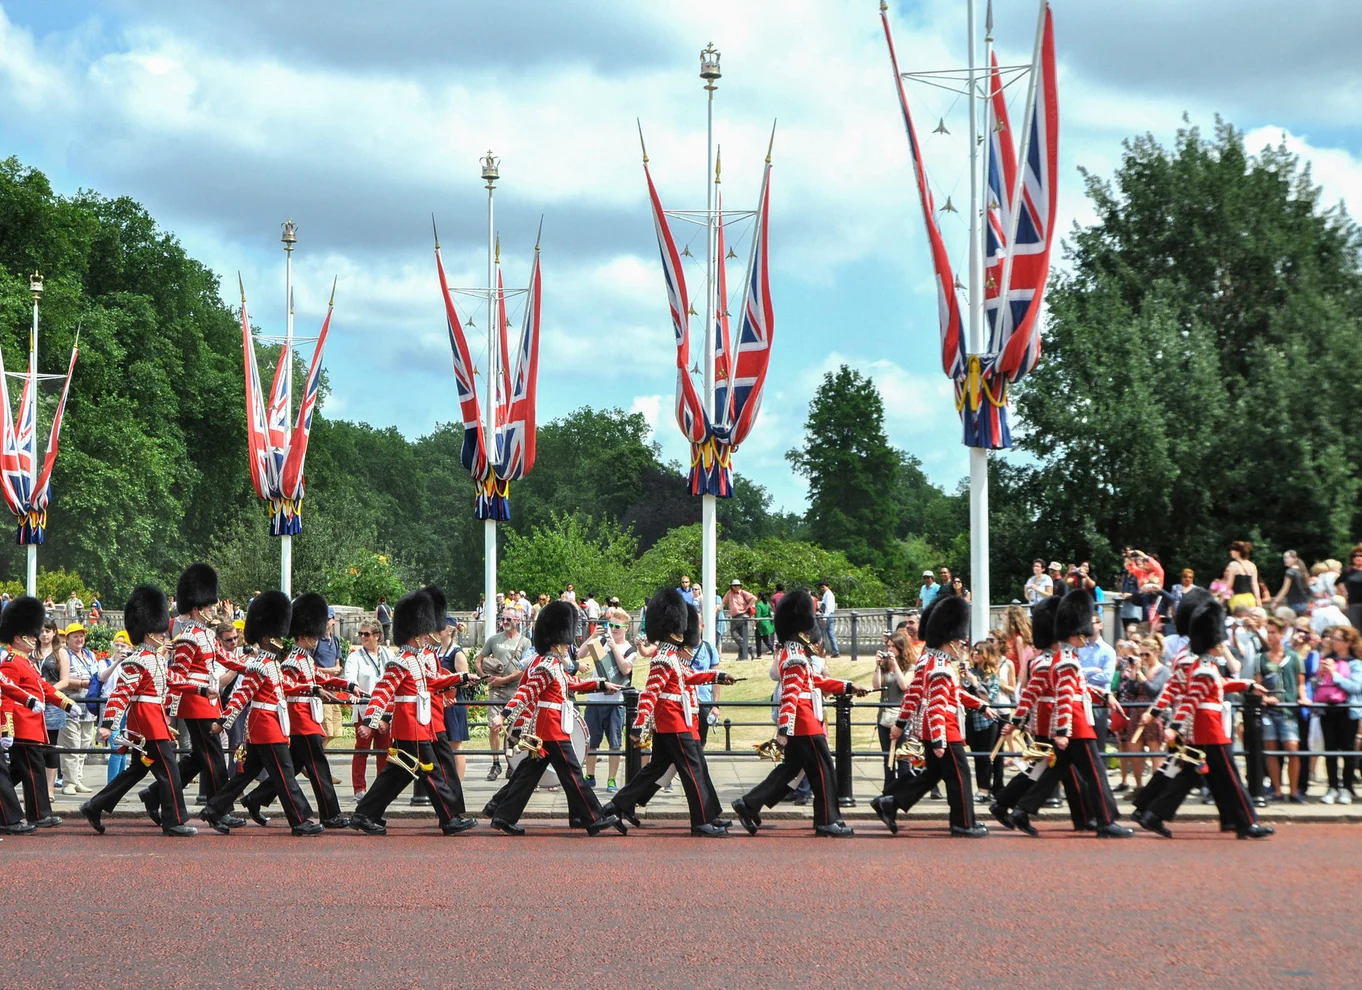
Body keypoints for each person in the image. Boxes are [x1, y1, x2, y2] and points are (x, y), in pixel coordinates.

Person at [732, 589, 866, 838]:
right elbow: (790, 696)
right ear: (801, 629)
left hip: (801, 722)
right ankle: (827, 821)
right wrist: (784, 730)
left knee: (790, 770)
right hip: (804, 723)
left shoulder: (793, 653)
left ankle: (749, 804)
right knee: (823, 770)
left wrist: (848, 686)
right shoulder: (795, 656)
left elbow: (814, 681)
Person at [1139, 596, 1274, 839]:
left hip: (1202, 726)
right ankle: (1246, 823)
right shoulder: (1201, 666)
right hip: (1208, 728)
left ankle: (1153, 814)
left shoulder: (1203, 664)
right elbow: (1189, 698)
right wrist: (1173, 726)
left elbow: (1217, 685)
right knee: (1230, 776)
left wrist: (1248, 685)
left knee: (1189, 773)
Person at [350, 591, 478, 836]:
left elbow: (433, 681)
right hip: (410, 728)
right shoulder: (401, 661)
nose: (426, 636)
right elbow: (382, 691)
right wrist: (370, 721)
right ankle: (449, 819)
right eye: (423, 632)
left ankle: (364, 814)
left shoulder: (416, 659)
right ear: (414, 633)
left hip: (418, 726)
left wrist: (462, 678)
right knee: (431, 772)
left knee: (396, 775)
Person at [491, 600, 623, 837]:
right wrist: (503, 715)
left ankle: (502, 814)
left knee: (527, 775)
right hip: (551, 729)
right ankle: (593, 818)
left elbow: (572, 683)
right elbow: (525, 692)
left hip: (549, 727)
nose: (567, 646)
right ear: (557, 642)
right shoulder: (547, 666)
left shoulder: (552, 664)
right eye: (565, 642)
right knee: (573, 773)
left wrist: (602, 684)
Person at [603, 594, 732, 836]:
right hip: (673, 723)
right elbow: (650, 693)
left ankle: (617, 806)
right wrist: (639, 724)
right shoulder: (663, 656)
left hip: (677, 721)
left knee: (658, 769)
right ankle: (701, 821)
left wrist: (718, 676)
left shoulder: (672, 656)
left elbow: (689, 678)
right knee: (693, 770)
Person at [1009, 590, 1132, 838]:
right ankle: (1106, 821)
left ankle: (1022, 810)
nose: (1086, 639)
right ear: (1074, 635)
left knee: (1054, 770)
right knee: (1095, 773)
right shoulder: (1066, 660)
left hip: (1073, 723)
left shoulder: (1066, 657)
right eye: (1082, 635)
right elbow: (1065, 697)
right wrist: (1063, 731)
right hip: (1076, 726)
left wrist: (1104, 696)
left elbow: (1079, 689)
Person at [79, 586, 198, 837]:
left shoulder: (156, 658)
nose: (163, 634)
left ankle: (95, 805)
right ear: (148, 632)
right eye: (159, 630)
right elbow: (120, 694)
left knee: (138, 770)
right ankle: (173, 821)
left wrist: (201, 688)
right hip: (147, 725)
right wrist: (108, 725)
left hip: (154, 721)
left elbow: (173, 679)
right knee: (169, 771)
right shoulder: (137, 660)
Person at [202, 593, 322, 836]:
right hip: (265, 727)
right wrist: (223, 722)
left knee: (244, 775)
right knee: (285, 774)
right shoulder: (259, 665)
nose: (281, 640)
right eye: (276, 636)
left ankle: (213, 810)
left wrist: (311, 689)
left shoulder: (271, 663)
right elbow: (241, 696)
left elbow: (284, 686)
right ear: (267, 638)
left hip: (270, 725)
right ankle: (299, 820)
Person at [871, 596, 990, 838]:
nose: (962, 645)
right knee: (960, 776)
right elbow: (936, 705)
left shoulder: (929, 660)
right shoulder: (940, 667)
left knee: (933, 774)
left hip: (931, 727)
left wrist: (979, 705)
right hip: (944, 728)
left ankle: (890, 802)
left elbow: (919, 693)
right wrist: (938, 740)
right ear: (950, 641)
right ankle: (963, 823)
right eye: (959, 641)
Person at [243, 593, 357, 830]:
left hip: (307, 719)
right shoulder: (292, 661)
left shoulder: (305, 659)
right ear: (305, 635)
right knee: (319, 768)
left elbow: (321, 678)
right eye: (314, 635)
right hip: (300, 721)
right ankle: (330, 814)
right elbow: (289, 690)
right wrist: (314, 692)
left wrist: (348, 686)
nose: (317, 638)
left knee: (292, 768)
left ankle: (255, 798)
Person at [144, 564, 244, 818]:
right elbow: (176, 675)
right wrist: (197, 691)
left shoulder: (208, 635)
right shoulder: (188, 637)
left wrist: (255, 667)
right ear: (197, 609)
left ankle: (154, 794)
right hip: (196, 703)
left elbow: (227, 659)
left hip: (209, 702)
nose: (213, 609)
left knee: (201, 757)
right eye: (208, 606)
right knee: (214, 757)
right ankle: (219, 810)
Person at [1, 595, 82, 828]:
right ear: (18, 638)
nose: (35, 639)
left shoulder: (27, 662)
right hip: (22, 725)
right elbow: (7, 697)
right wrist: (7, 729)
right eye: (30, 635)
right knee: (33, 770)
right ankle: (39, 814)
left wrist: (67, 704)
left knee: (20, 771)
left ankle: (34, 812)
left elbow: (44, 688)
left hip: (33, 725)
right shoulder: (11, 662)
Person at [476, 609, 533, 782]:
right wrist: (484, 677)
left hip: (515, 689)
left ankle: (511, 763)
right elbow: (478, 660)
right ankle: (495, 763)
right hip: (496, 690)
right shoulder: (494, 639)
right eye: (503, 618)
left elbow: (524, 668)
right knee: (494, 726)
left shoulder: (525, 642)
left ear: (517, 620)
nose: (505, 621)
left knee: (514, 727)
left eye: (508, 618)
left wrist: (504, 679)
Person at [582, 607, 635, 790]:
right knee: (591, 741)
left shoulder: (630, 649)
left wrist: (614, 648)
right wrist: (592, 637)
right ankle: (590, 775)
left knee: (615, 743)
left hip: (615, 702)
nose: (613, 629)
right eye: (610, 625)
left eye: (617, 626)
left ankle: (612, 779)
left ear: (626, 628)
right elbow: (580, 655)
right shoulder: (602, 640)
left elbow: (625, 669)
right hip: (595, 700)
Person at [1258, 616, 1305, 802]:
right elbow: (1257, 684)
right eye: (1268, 632)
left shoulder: (1294, 657)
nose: (1270, 636)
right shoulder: (1261, 658)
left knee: (1292, 748)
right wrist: (1264, 697)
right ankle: (1277, 790)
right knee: (1271, 749)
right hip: (1269, 711)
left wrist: (1303, 697)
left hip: (1287, 710)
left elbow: (1301, 683)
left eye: (1273, 632)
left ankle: (1293, 791)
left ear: (1282, 633)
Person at [1314, 627, 1362, 805]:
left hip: (1347, 712)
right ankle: (1332, 786)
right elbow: (1316, 686)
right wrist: (1320, 675)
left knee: (1348, 750)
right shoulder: (1328, 659)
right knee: (1330, 750)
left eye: (1337, 639)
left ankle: (1347, 787)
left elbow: (1356, 687)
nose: (1333, 641)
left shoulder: (1355, 664)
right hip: (1328, 710)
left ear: (1347, 643)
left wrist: (1334, 674)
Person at [343, 620, 391, 800]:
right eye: (360, 634)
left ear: (377, 636)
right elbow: (350, 678)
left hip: (385, 710)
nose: (362, 637)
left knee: (384, 751)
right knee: (361, 750)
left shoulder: (388, 654)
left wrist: (387, 716)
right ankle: (359, 789)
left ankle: (381, 788)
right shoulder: (355, 657)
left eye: (366, 634)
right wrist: (353, 688)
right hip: (365, 709)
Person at [1115, 637, 1169, 792]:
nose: (1144, 658)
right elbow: (1131, 690)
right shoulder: (1141, 669)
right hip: (1136, 712)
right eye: (1142, 655)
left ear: (1156, 652)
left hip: (1153, 712)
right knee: (1135, 751)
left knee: (1155, 752)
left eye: (1147, 654)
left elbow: (1154, 690)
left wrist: (1140, 674)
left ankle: (1156, 789)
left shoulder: (1163, 670)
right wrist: (1134, 671)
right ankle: (1139, 787)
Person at [54, 621, 101, 794]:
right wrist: (81, 683)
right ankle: (69, 782)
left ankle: (78, 779)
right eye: (75, 636)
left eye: (81, 636)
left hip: (89, 707)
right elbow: (62, 679)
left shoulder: (90, 654)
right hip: (70, 705)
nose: (79, 639)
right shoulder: (63, 655)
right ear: (67, 639)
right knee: (71, 745)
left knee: (83, 745)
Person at [434, 601, 473, 780]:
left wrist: (450, 682)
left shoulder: (456, 652)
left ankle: (458, 780)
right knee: (442, 743)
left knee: (455, 744)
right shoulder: (436, 651)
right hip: (440, 702)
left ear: (449, 630)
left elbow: (465, 681)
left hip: (454, 701)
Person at [872, 631, 914, 792]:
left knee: (902, 756)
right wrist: (877, 666)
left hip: (901, 716)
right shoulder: (884, 666)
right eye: (888, 646)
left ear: (901, 648)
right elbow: (877, 686)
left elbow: (904, 686)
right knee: (886, 756)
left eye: (893, 647)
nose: (889, 649)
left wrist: (895, 665)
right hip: (884, 715)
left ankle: (903, 789)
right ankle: (888, 788)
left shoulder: (910, 667)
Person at [962, 639, 1004, 802]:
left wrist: (976, 683)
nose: (975, 653)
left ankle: (984, 790)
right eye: (974, 650)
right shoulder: (971, 671)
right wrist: (964, 678)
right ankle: (983, 788)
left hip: (987, 721)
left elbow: (988, 698)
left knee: (986, 756)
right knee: (977, 756)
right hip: (970, 719)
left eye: (979, 651)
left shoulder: (992, 674)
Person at [1076, 610, 1118, 754]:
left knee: (1099, 745)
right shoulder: (1080, 648)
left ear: (1100, 625)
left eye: (1092, 623)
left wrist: (1083, 675)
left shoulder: (1108, 650)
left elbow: (1107, 677)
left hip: (1099, 701)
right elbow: (1075, 672)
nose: (1089, 626)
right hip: (1081, 699)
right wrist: (1093, 670)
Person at [35, 619, 64, 801]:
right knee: (34, 748)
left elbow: (65, 680)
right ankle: (36, 789)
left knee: (50, 746)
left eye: (47, 631)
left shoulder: (60, 652)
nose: (44, 634)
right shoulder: (32, 651)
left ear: (54, 632)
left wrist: (47, 692)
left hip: (52, 704)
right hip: (33, 703)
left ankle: (50, 790)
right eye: (41, 631)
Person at [721, 579, 757, 662]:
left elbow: (754, 598)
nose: (736, 587)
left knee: (741, 636)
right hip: (735, 617)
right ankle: (749, 650)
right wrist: (717, 611)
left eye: (738, 585)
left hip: (743, 616)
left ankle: (742, 656)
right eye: (734, 585)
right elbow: (723, 603)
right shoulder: (729, 593)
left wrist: (748, 606)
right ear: (731, 586)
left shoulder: (743, 593)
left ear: (740, 586)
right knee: (735, 635)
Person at [1223, 541, 1261, 612]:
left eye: (1232, 550)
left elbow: (1229, 584)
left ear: (1238, 552)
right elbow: (1255, 584)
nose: (1230, 552)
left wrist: (1221, 599)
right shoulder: (1252, 565)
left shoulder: (1233, 565)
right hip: (1250, 598)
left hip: (1238, 599)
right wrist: (1258, 600)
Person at [1272, 551, 1311, 617]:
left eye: (1288, 558)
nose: (1285, 560)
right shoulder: (1303, 571)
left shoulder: (1290, 572)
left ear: (1295, 558)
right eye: (1284, 558)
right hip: (1306, 603)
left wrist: (1276, 602)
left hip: (1295, 603)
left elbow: (1285, 589)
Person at [1336, 545, 1362, 630]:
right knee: (1356, 627)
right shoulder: (1348, 571)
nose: (1358, 558)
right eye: (1355, 556)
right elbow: (1337, 583)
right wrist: (1344, 594)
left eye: (1361, 555)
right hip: (1354, 603)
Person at [817, 579, 840, 658]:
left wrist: (824, 618)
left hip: (827, 616)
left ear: (827, 587)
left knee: (822, 635)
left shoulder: (828, 595)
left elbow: (828, 607)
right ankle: (835, 651)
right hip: (829, 615)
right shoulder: (827, 594)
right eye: (821, 587)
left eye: (823, 587)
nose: (822, 589)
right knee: (831, 635)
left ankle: (822, 651)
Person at [754, 592, 774, 659]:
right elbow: (770, 613)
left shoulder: (758, 605)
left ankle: (759, 654)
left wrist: (754, 624)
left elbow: (758, 616)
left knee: (758, 640)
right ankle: (773, 650)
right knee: (766, 640)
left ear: (759, 597)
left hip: (760, 624)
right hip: (767, 623)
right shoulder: (767, 604)